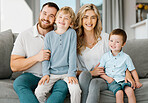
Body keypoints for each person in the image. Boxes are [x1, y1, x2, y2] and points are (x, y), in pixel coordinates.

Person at [74, 4, 136, 103]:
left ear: (97, 20)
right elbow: (72, 70)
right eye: (85, 17)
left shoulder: (106, 38)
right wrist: (92, 73)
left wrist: (127, 74)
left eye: (93, 17)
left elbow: (120, 57)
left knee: (94, 84)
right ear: (81, 19)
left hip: (105, 77)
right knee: (84, 76)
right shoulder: (75, 40)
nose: (89, 21)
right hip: (85, 77)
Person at [10, 2, 69, 103]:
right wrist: (37, 57)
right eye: (44, 13)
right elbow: (14, 66)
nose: (46, 18)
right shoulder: (24, 35)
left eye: (51, 16)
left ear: (56, 19)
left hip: (55, 76)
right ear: (40, 13)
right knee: (19, 83)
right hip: (32, 76)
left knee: (63, 87)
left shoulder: (63, 35)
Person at [34, 6, 81, 103]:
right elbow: (46, 57)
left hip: (67, 73)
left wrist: (72, 74)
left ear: (71, 23)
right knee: (38, 92)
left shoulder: (71, 33)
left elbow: (72, 54)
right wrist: (45, 74)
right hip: (52, 73)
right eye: (60, 17)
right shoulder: (49, 36)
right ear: (55, 20)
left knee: (76, 90)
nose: (62, 20)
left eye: (66, 18)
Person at [99, 28, 142, 103]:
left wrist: (137, 81)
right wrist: (107, 78)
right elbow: (100, 71)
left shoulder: (126, 57)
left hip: (123, 80)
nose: (113, 44)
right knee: (119, 93)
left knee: (130, 91)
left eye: (117, 42)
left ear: (123, 44)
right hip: (112, 82)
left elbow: (133, 70)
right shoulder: (105, 57)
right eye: (111, 41)